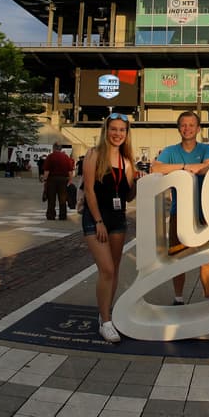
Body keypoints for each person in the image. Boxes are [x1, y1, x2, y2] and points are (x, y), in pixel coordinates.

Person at [80, 112, 136, 344]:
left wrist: (139, 182)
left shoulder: (127, 162)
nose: (117, 134)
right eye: (113, 129)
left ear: (126, 134)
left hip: (118, 220)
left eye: (121, 130)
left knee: (114, 269)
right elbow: (89, 191)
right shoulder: (94, 155)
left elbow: (129, 195)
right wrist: (98, 220)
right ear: (106, 130)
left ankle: (106, 314)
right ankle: (105, 321)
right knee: (107, 270)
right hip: (97, 219)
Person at [152, 111, 209, 305]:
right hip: (178, 212)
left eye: (191, 125)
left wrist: (185, 168)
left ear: (198, 128)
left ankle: (208, 299)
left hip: (204, 212)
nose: (187, 128)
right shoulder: (171, 150)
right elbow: (155, 168)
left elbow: (208, 166)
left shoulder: (206, 147)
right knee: (178, 258)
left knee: (205, 258)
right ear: (178, 128)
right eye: (183, 125)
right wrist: (186, 167)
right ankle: (178, 298)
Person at [42, 147, 75, 220]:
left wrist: (45, 180)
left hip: (52, 179)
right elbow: (70, 170)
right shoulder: (66, 157)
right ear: (60, 149)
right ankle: (62, 215)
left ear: (53, 148)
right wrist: (70, 180)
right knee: (63, 199)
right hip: (63, 180)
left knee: (51, 198)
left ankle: (51, 215)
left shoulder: (50, 156)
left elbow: (47, 170)